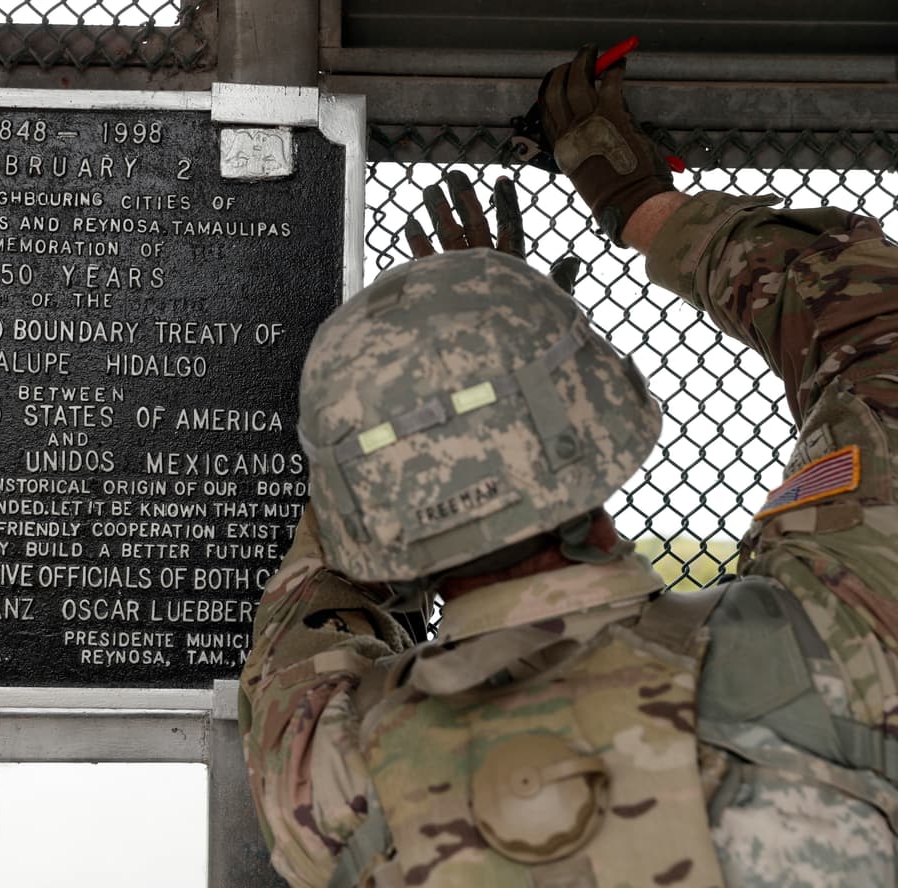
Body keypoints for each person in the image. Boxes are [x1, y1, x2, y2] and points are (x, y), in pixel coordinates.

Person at [239, 44, 898, 887]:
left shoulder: (327, 778)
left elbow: (314, 607)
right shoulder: (842, 644)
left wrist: (419, 379)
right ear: (594, 421)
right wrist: (642, 207)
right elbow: (869, 321)